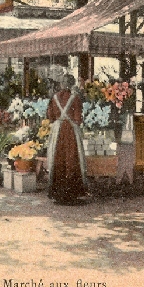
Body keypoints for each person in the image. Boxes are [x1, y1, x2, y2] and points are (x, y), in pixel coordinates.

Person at [46, 74, 88, 205]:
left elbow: (50, 117)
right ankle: (72, 193)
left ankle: (57, 192)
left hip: (57, 130)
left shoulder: (54, 98)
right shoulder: (75, 98)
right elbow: (78, 119)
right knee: (72, 158)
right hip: (70, 131)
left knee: (57, 158)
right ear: (71, 84)